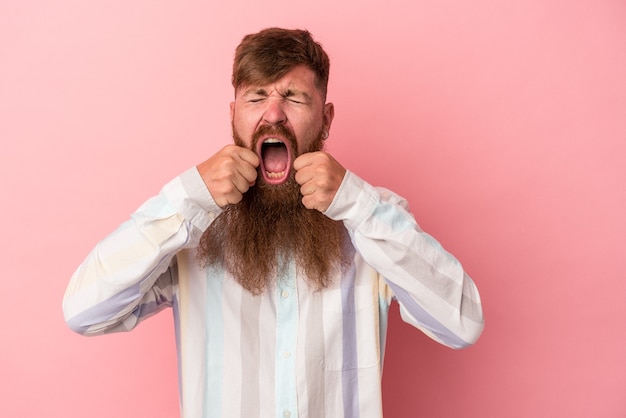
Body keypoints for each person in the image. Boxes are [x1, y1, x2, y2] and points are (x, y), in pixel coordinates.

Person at [63, 27, 484, 418]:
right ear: (233, 116)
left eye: (294, 97)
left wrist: (358, 205)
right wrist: (187, 197)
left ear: (326, 117)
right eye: (256, 97)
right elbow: (84, 312)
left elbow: (461, 323)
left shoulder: (374, 219)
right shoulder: (190, 226)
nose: (274, 114)